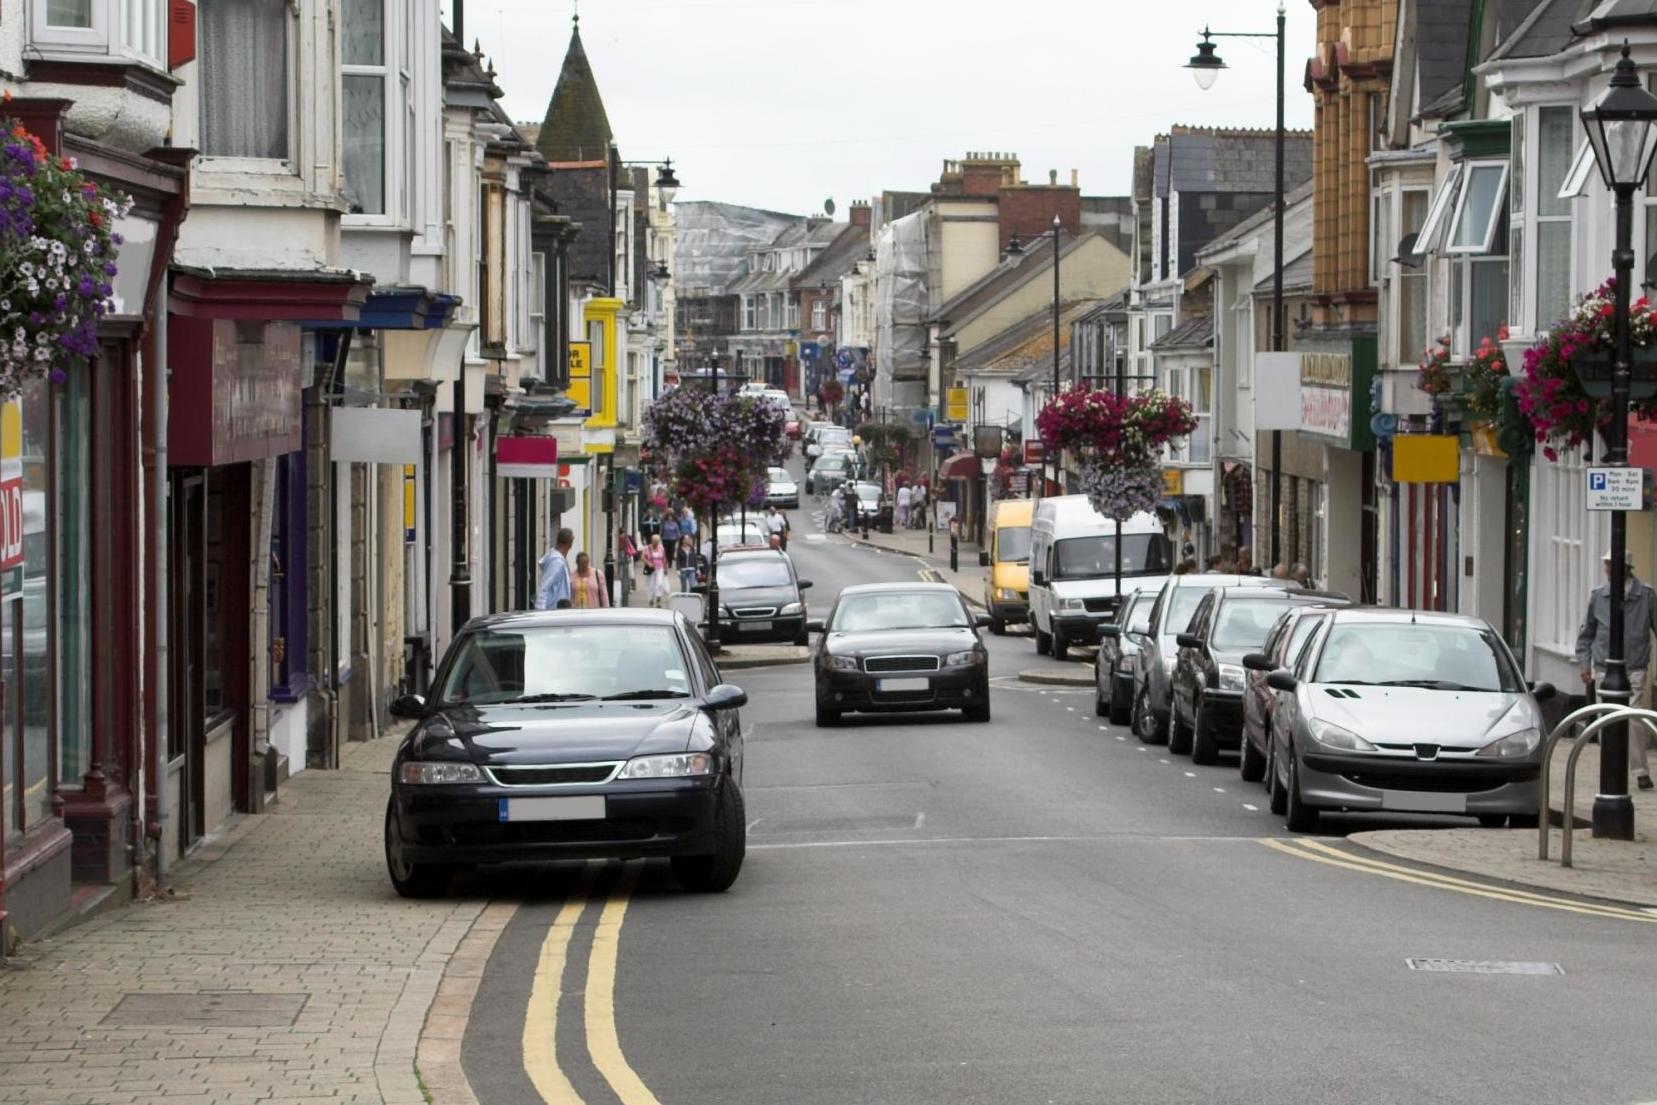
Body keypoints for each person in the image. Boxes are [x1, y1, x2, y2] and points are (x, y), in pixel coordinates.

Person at [1576, 549, 1657, 789]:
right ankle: (1610, 769)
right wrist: (1584, 663)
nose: (1607, 570)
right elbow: (1586, 634)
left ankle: (1640, 770)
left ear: (1624, 568)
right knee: (1607, 719)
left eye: (1611, 565)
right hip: (1604, 667)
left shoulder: (1646, 596)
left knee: (1632, 717)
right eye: (1607, 565)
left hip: (1634, 666)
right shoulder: (1598, 596)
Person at [535, 528, 574, 610]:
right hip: (554, 611)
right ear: (570, 543)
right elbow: (544, 586)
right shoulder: (557, 562)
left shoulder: (556, 558)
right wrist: (540, 610)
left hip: (557, 611)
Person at [642, 534, 671, 607]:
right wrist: (648, 563)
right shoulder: (647, 548)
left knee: (659, 583)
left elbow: (664, 558)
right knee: (650, 585)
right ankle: (651, 600)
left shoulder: (661, 547)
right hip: (651, 569)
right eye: (655, 542)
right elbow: (643, 557)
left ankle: (658, 599)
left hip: (660, 568)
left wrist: (665, 568)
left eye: (657, 542)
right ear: (652, 541)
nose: (656, 543)